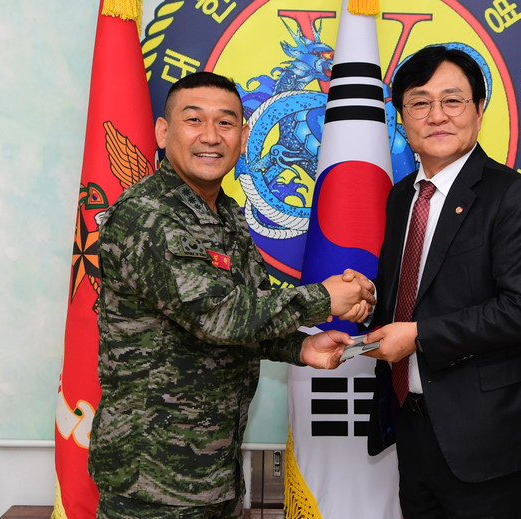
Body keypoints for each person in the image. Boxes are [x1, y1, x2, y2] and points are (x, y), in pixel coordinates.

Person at [88, 71, 375, 518]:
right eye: (194, 120)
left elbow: (250, 308)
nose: (210, 136)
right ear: (162, 132)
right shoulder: (147, 216)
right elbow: (217, 315)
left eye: (225, 123)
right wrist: (324, 297)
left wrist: (299, 347)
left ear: (243, 139)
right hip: (152, 480)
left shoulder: (226, 214)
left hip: (213, 470)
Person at [363, 45, 521, 518]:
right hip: (412, 424)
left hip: (487, 436)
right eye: (420, 102)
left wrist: (419, 336)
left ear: (478, 110)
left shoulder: (512, 195)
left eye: (452, 101)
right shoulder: (401, 198)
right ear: (401, 118)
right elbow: (412, 291)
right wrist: (367, 299)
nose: (437, 116)